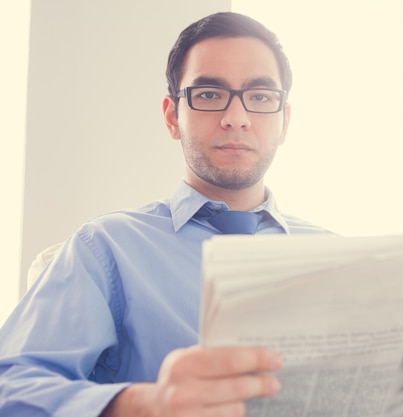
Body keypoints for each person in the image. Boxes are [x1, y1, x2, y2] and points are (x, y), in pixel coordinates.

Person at [0, 12, 329, 417]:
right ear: (173, 116)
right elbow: (10, 387)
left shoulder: (336, 256)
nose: (237, 117)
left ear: (284, 122)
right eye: (209, 94)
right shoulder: (106, 248)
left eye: (260, 97)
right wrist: (146, 403)